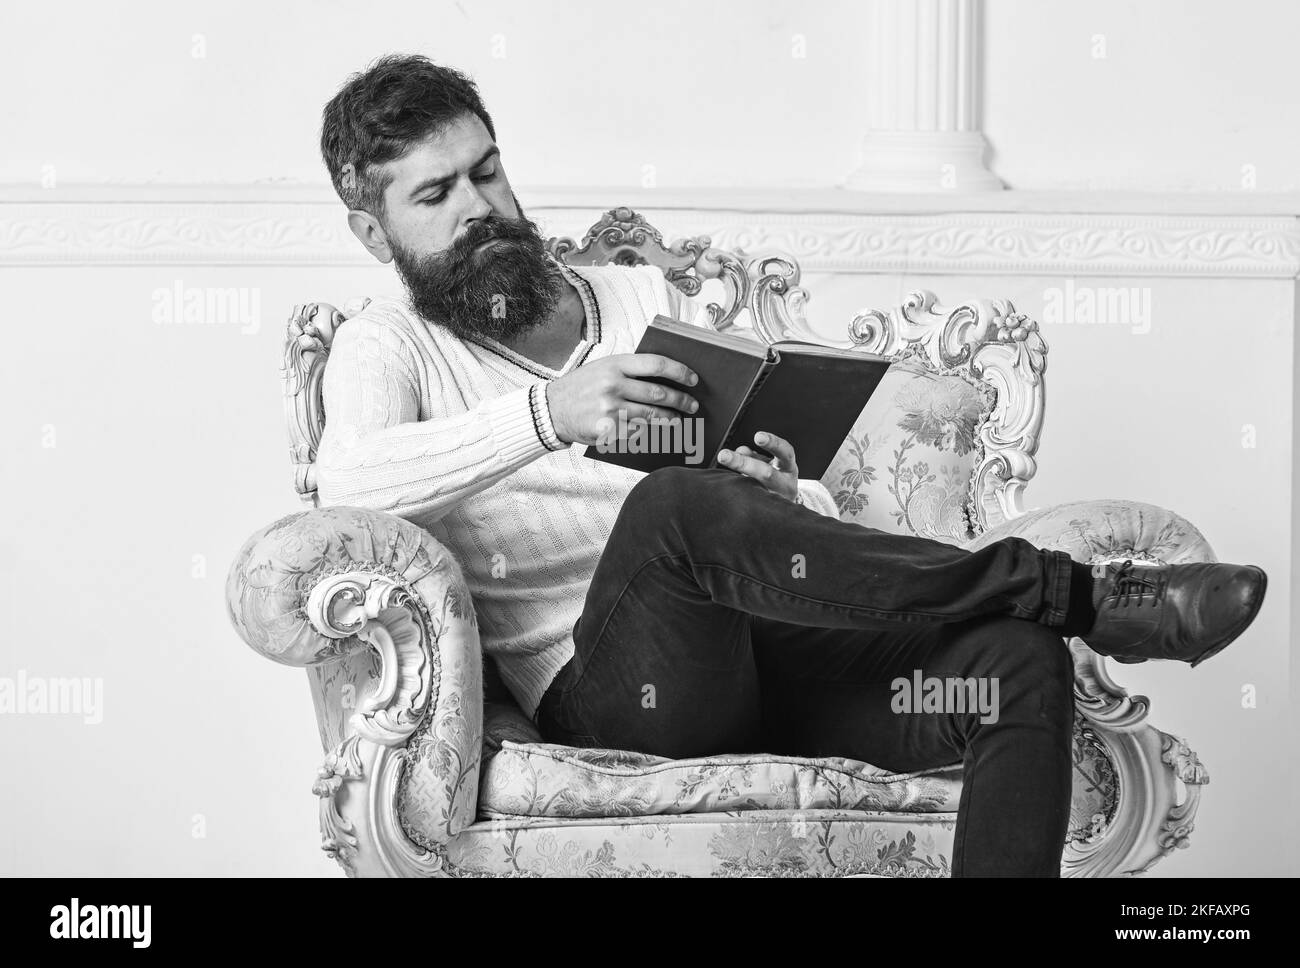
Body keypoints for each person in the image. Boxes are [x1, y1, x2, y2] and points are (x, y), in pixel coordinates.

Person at [313, 55, 1267, 877]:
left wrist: (782, 492)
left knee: (1011, 664)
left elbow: (754, 490)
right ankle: (1074, 592)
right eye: (436, 195)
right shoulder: (387, 346)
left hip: (772, 658)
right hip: (632, 697)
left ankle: (1044, 616)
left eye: (487, 171)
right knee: (677, 507)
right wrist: (547, 413)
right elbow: (346, 485)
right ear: (373, 231)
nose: (480, 207)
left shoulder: (636, 292)